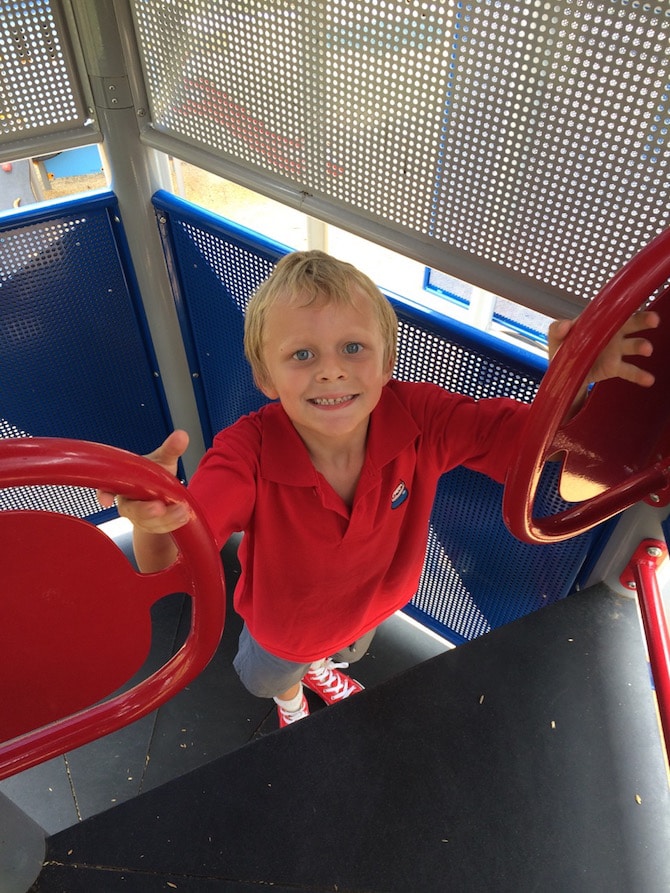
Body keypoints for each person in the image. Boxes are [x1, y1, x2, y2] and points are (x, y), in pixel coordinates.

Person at [98, 250, 659, 727]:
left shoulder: (421, 417)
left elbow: (531, 448)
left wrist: (583, 383)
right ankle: (293, 702)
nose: (331, 371)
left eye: (353, 348)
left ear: (388, 360)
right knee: (270, 679)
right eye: (301, 355)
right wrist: (154, 517)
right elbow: (174, 552)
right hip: (282, 628)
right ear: (265, 377)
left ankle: (319, 670)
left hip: (369, 608)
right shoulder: (248, 451)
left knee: (345, 651)